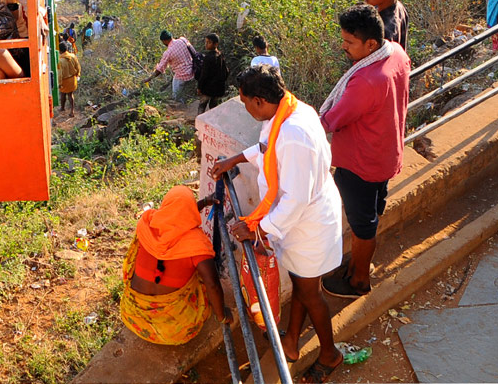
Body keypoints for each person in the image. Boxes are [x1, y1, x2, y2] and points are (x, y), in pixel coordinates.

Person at [209, 65, 345, 381]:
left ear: (259, 101)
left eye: (244, 103)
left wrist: (258, 227)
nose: (245, 109)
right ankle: (292, 342)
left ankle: (330, 354)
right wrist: (234, 160)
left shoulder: (293, 132)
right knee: (300, 284)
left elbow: (295, 199)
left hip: (308, 225)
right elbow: (266, 149)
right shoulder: (287, 112)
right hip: (299, 222)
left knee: (311, 294)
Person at [319, 4, 410, 300]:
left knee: (362, 225)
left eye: (349, 42)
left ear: (370, 44)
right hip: (385, 153)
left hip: (360, 164)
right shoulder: (395, 52)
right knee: (371, 213)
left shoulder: (366, 81)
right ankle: (358, 261)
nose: (343, 47)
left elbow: (330, 120)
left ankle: (359, 279)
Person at [119, 185, 230, 345]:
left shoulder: (146, 224)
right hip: (174, 332)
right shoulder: (197, 244)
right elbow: (212, 285)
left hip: (133, 317)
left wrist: (204, 202)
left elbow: (175, 216)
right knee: (203, 275)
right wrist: (222, 315)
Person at [145, 30, 197, 99]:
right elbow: (194, 52)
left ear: (164, 41)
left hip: (181, 76)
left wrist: (149, 79)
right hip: (193, 71)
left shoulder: (168, 52)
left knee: (176, 96)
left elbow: (159, 70)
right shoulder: (183, 40)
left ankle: (179, 105)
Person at [197, 33, 229, 114]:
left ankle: (198, 122)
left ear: (216, 44)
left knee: (202, 105)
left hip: (207, 88)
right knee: (214, 107)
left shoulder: (208, 57)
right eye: (206, 42)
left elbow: (204, 74)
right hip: (218, 88)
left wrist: (199, 87)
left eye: (209, 42)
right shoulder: (220, 55)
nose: (206, 44)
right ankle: (213, 123)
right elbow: (226, 71)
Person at [57, 40, 81, 117]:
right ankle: (72, 111)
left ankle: (62, 108)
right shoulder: (73, 56)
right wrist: (78, 74)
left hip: (64, 80)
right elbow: (78, 67)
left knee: (62, 94)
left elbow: (60, 73)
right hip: (72, 79)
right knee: (70, 94)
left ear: (59, 50)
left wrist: (59, 83)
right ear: (67, 48)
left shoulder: (60, 60)